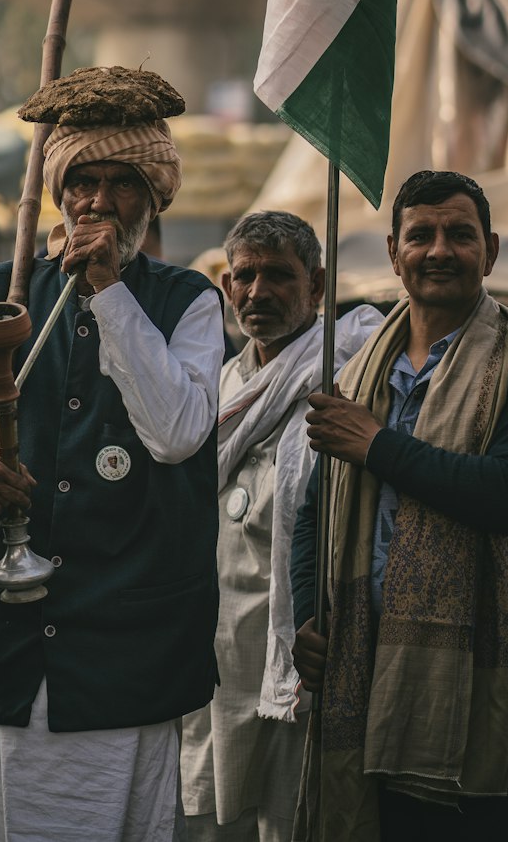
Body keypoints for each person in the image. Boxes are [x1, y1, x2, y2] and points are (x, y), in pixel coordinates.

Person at [0, 66, 225, 842]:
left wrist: (111, 296)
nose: (101, 202)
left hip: (124, 662)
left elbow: (177, 431)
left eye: (123, 183)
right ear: (60, 192)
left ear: (153, 199)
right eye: (84, 180)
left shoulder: (190, 302)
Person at [291, 170, 508, 841]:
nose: (439, 250)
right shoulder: (360, 371)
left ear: (491, 250)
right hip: (363, 672)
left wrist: (377, 446)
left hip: (485, 682)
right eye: (421, 235)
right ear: (394, 252)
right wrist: (311, 615)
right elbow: (314, 509)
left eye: (459, 235)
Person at [182, 211, 382, 841]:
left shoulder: (344, 377)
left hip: (296, 652)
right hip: (213, 653)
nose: (257, 293)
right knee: (211, 813)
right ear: (225, 282)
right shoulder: (216, 388)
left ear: (317, 286)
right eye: (244, 276)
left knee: (290, 817)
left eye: (279, 276)